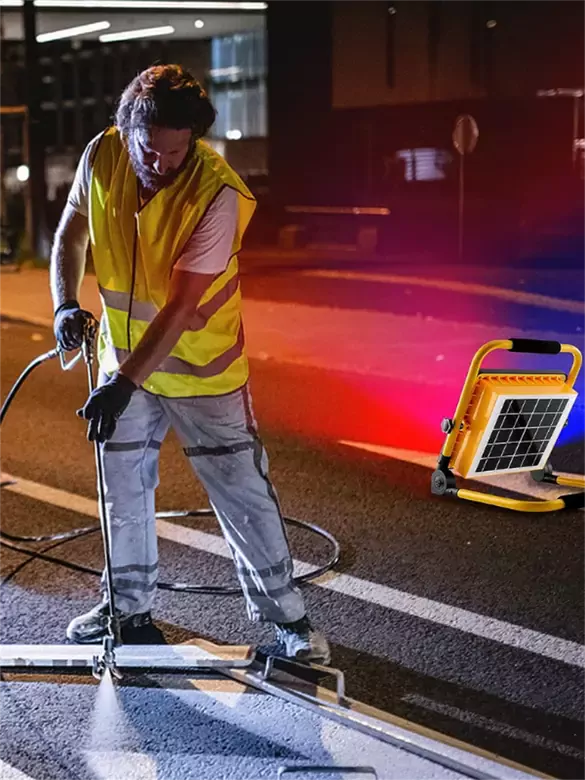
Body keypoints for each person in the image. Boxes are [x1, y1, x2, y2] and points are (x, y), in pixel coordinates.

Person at [49, 64, 330, 665]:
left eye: (179, 151)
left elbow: (179, 307)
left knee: (240, 492)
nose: (164, 163)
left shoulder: (217, 194)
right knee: (121, 490)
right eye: (151, 149)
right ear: (124, 130)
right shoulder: (102, 156)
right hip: (123, 363)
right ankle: (126, 610)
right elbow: (72, 230)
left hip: (201, 372)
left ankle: (292, 622)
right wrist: (64, 303)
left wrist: (122, 384)